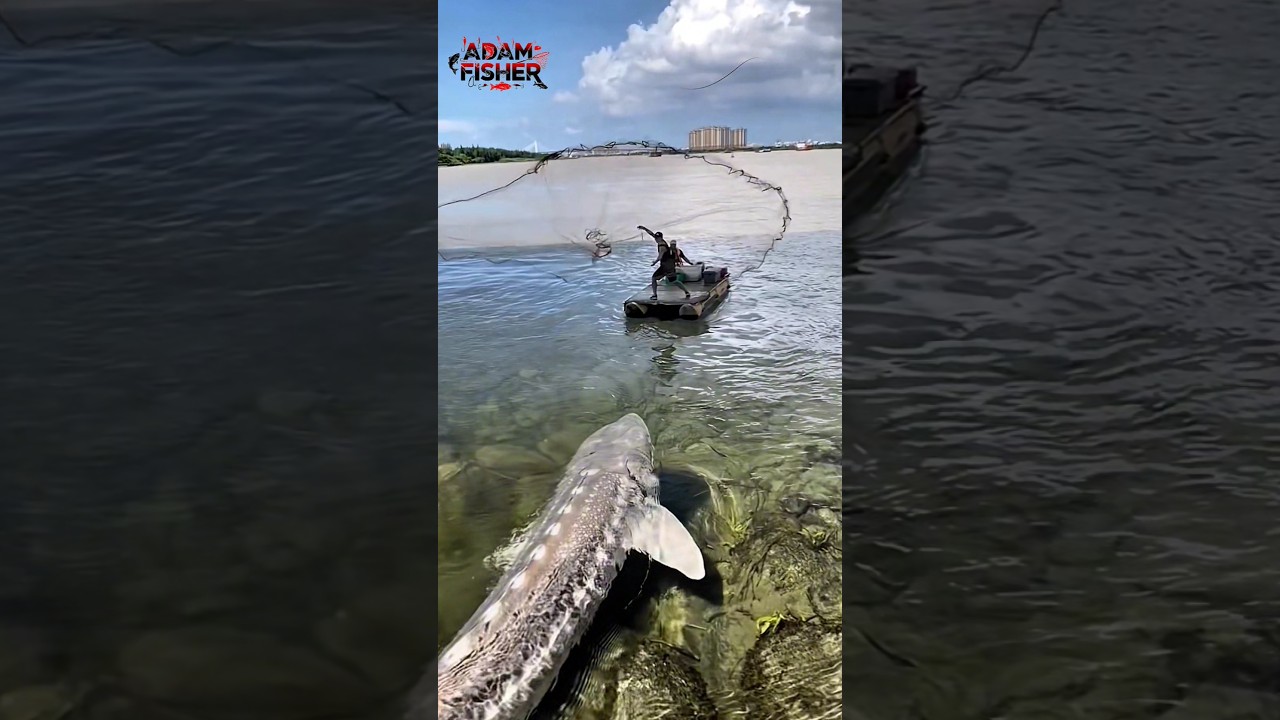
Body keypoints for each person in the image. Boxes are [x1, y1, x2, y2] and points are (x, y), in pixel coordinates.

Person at [638, 225, 690, 301]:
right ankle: (687, 292)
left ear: (661, 237)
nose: (656, 239)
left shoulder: (662, 246)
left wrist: (654, 262)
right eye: (656, 237)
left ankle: (655, 295)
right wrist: (644, 228)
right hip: (670, 266)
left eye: (657, 238)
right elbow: (651, 234)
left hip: (665, 266)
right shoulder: (661, 241)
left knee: (654, 278)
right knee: (674, 281)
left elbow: (660, 256)